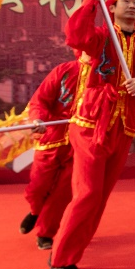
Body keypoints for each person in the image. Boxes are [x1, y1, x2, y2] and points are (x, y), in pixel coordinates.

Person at [46, 0, 135, 269]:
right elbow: (75, 36)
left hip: (123, 127)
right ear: (111, 8)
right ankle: (61, 262)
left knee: (99, 198)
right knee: (87, 193)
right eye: (124, 1)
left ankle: (66, 249)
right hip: (90, 123)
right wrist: (90, 0)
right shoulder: (100, 37)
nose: (131, 6)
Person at [19, 54, 82, 250]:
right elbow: (40, 101)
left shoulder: (106, 75)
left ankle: (45, 233)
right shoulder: (64, 71)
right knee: (38, 187)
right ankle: (35, 210)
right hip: (51, 138)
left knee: (63, 192)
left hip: (80, 143)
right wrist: (37, 119)